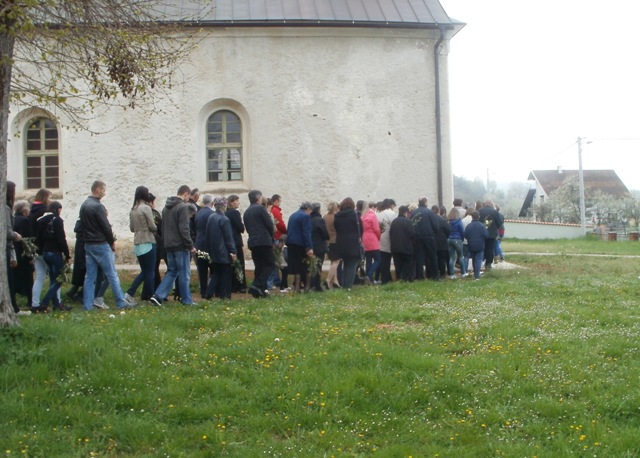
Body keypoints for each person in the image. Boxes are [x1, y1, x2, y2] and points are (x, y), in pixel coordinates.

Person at [80, 180, 136, 311]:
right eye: (103, 190)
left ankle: (87, 305)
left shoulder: (84, 205)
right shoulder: (98, 206)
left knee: (90, 277)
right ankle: (120, 302)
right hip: (100, 244)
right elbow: (105, 227)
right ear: (98, 190)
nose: (104, 193)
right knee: (111, 274)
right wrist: (111, 242)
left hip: (89, 244)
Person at [150, 185, 197, 306]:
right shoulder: (182, 207)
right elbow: (184, 228)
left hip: (168, 244)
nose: (188, 199)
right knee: (184, 274)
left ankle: (158, 296)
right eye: (188, 196)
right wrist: (190, 245)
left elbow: (163, 226)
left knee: (172, 271)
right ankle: (187, 300)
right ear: (185, 194)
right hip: (180, 245)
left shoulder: (166, 208)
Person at [35, 201, 71, 312]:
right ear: (57, 209)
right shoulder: (57, 220)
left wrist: (40, 250)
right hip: (55, 252)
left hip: (45, 252)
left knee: (53, 279)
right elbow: (61, 239)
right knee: (59, 280)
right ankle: (45, 303)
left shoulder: (41, 220)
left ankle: (56, 304)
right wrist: (67, 254)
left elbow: (38, 238)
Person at [126, 186, 158, 302]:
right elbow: (152, 225)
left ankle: (131, 292)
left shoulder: (133, 209)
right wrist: (156, 229)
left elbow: (132, 228)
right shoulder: (146, 208)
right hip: (147, 240)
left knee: (145, 271)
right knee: (150, 272)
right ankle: (149, 296)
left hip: (137, 241)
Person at [243, 189, 276, 298]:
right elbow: (269, 224)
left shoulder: (246, 211)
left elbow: (247, 227)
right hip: (263, 240)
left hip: (253, 241)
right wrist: (271, 237)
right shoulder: (261, 209)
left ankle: (259, 291)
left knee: (259, 266)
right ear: (258, 198)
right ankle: (257, 285)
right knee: (270, 263)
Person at [203, 197, 237, 299]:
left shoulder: (211, 217)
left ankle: (208, 293)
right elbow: (228, 237)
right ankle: (225, 295)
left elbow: (207, 235)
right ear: (224, 206)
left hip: (214, 251)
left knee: (216, 273)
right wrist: (233, 251)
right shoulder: (224, 219)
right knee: (226, 274)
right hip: (223, 252)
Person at [29, 188, 53, 312]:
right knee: (55, 275)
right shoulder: (44, 212)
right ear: (44, 198)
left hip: (35, 247)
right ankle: (55, 302)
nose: (50, 200)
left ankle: (35, 303)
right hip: (45, 247)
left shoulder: (31, 211)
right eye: (49, 197)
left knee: (39, 276)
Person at [333, 197, 362, 290]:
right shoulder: (356, 215)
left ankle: (343, 283)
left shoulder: (337, 216)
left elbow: (336, 228)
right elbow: (361, 229)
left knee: (344, 263)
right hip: (353, 242)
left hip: (341, 241)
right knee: (351, 264)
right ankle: (348, 286)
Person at [5, 182, 26, 315]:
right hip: (5, 248)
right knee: (8, 280)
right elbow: (6, 231)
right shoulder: (5, 209)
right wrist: (16, 236)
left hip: (7, 248)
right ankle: (13, 308)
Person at [286, 201, 314, 293]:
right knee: (306, 266)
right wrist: (309, 247)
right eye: (311, 211)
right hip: (300, 244)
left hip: (291, 243)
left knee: (296, 266)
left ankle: (297, 287)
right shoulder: (305, 216)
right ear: (308, 209)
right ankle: (307, 287)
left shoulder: (293, 215)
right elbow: (306, 232)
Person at [411, 197, 440, 280]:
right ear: (426, 202)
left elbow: (411, 225)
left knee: (419, 257)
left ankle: (420, 276)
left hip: (417, 238)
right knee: (432, 257)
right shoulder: (430, 212)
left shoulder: (414, 213)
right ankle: (433, 276)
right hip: (429, 237)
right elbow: (435, 226)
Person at [13, 200, 34, 313]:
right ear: (25, 210)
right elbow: (27, 240)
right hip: (23, 253)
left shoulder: (13, 219)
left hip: (14, 252)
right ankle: (30, 301)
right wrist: (30, 256)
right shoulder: (25, 221)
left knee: (15, 277)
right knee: (28, 278)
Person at [226, 194, 247, 293]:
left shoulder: (226, 213)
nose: (238, 203)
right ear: (231, 202)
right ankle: (240, 285)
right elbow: (241, 228)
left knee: (231, 263)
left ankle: (232, 284)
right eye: (237, 201)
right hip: (236, 241)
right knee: (239, 263)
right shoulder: (234, 213)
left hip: (229, 241)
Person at [194, 194, 214, 297]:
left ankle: (203, 291)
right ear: (212, 203)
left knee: (202, 269)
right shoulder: (212, 214)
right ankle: (211, 290)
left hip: (199, 244)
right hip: (209, 245)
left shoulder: (198, 213)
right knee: (213, 268)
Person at [390, 205, 416, 282]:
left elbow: (391, 233)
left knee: (398, 264)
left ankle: (399, 278)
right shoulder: (408, 221)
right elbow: (412, 234)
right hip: (406, 247)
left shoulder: (394, 222)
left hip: (395, 247)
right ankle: (406, 279)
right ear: (406, 212)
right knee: (408, 263)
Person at [478, 199, 504, 271]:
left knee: (481, 248)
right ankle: (488, 264)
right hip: (491, 234)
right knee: (490, 249)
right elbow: (500, 223)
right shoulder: (495, 212)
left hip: (481, 233)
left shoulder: (479, 211)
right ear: (491, 204)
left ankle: (480, 262)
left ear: (485, 204)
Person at [309, 202, 329, 292]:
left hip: (310, 245)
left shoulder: (308, 219)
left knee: (311, 265)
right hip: (319, 245)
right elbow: (325, 233)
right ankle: (316, 285)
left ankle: (311, 284)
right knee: (318, 266)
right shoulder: (319, 220)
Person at [464, 211, 489, 280]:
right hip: (480, 245)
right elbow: (486, 235)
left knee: (473, 259)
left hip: (471, 245)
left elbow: (465, 235)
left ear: (472, 217)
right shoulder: (482, 226)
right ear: (479, 217)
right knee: (478, 260)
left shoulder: (469, 226)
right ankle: (477, 275)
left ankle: (474, 273)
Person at [377, 198, 397, 284]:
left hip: (379, 240)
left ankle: (385, 278)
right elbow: (395, 225)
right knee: (387, 261)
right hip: (389, 240)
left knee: (383, 261)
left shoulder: (378, 214)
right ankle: (386, 279)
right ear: (391, 205)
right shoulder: (391, 213)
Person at [361, 201, 381, 284]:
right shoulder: (373, 216)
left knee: (368, 260)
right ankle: (369, 275)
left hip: (364, 238)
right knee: (378, 259)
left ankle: (369, 279)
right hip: (372, 238)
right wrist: (379, 237)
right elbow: (376, 229)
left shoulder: (362, 216)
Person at [323, 201, 341, 290]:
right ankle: (328, 280)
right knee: (336, 262)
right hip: (335, 240)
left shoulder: (325, 217)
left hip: (327, 241)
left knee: (332, 261)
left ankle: (335, 281)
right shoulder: (336, 217)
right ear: (335, 208)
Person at [432, 205, 451, 280]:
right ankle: (442, 274)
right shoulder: (442, 220)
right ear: (439, 211)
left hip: (432, 242)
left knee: (433, 259)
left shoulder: (430, 220)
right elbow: (448, 231)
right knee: (442, 260)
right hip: (442, 242)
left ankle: (434, 274)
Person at [447, 207, 467, 278]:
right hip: (457, 239)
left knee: (452, 258)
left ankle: (452, 274)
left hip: (449, 239)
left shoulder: (448, 222)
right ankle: (463, 273)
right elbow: (462, 231)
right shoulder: (459, 221)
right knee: (460, 257)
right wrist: (461, 239)